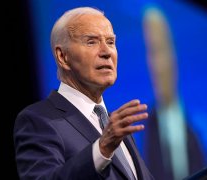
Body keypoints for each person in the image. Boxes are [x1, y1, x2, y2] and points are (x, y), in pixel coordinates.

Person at [13, 7, 154, 180]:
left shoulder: (114, 128)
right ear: (63, 57)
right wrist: (102, 149)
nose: (107, 52)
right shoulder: (38, 120)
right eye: (91, 42)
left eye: (110, 42)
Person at [142, 6, 207, 180]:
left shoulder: (194, 127)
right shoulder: (142, 129)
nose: (158, 65)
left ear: (173, 54)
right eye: (151, 53)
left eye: (161, 50)